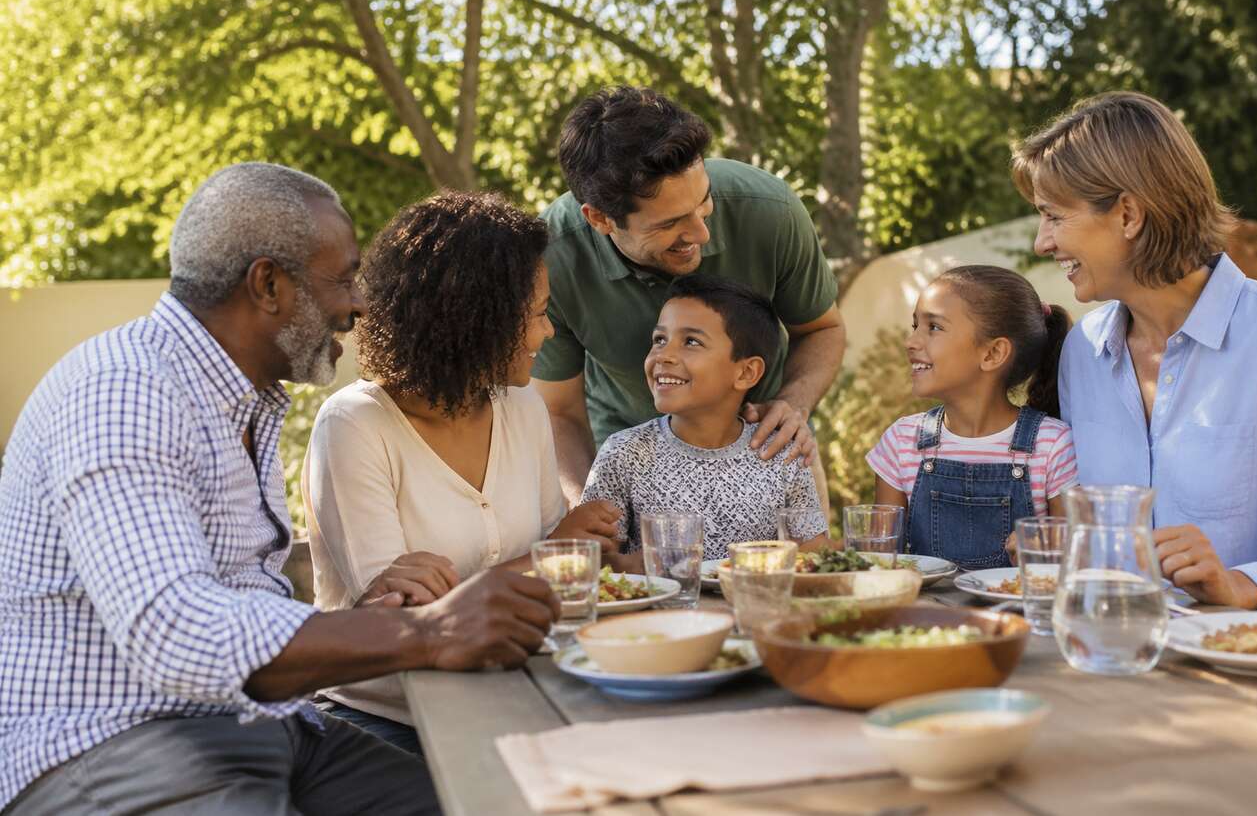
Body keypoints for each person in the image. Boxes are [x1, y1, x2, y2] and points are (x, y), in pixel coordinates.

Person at [0, 164, 559, 815]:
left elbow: (242, 613)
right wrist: (426, 629)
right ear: (268, 284)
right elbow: (177, 630)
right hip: (112, 748)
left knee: (506, 801)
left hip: (268, 727)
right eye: (344, 278)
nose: (360, 305)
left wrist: (365, 619)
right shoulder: (123, 391)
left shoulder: (246, 403)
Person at [303, 192, 621, 751]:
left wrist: (568, 553)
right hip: (389, 720)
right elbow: (399, 617)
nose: (548, 334)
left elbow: (557, 571)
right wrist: (555, 556)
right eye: (540, 313)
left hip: (522, 690)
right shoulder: (356, 425)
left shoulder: (523, 408)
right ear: (479, 320)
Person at [1013, 91, 1257, 609]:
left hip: (1243, 673)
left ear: (1129, 215)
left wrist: (1243, 586)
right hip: (1104, 654)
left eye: (1054, 216)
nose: (1042, 243)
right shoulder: (1082, 353)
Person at [531, 86, 846, 505]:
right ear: (600, 218)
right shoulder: (552, 258)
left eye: (704, 201)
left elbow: (823, 329)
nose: (701, 233)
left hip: (769, 453)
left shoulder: (771, 211)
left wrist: (792, 405)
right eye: (671, 223)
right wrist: (587, 507)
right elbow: (559, 412)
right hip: (630, 467)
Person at [580, 275, 827, 563]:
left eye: (691, 342)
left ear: (746, 373)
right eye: (660, 339)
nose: (664, 355)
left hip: (755, 605)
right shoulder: (624, 453)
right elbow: (592, 560)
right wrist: (642, 566)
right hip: (662, 608)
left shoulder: (782, 453)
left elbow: (814, 554)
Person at [866, 266, 1078, 569]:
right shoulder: (902, 441)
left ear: (992, 354)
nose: (911, 341)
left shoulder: (1052, 445)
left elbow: (1074, 556)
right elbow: (882, 565)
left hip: (1019, 613)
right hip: (927, 615)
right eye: (915, 325)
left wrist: (1047, 546)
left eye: (934, 327)